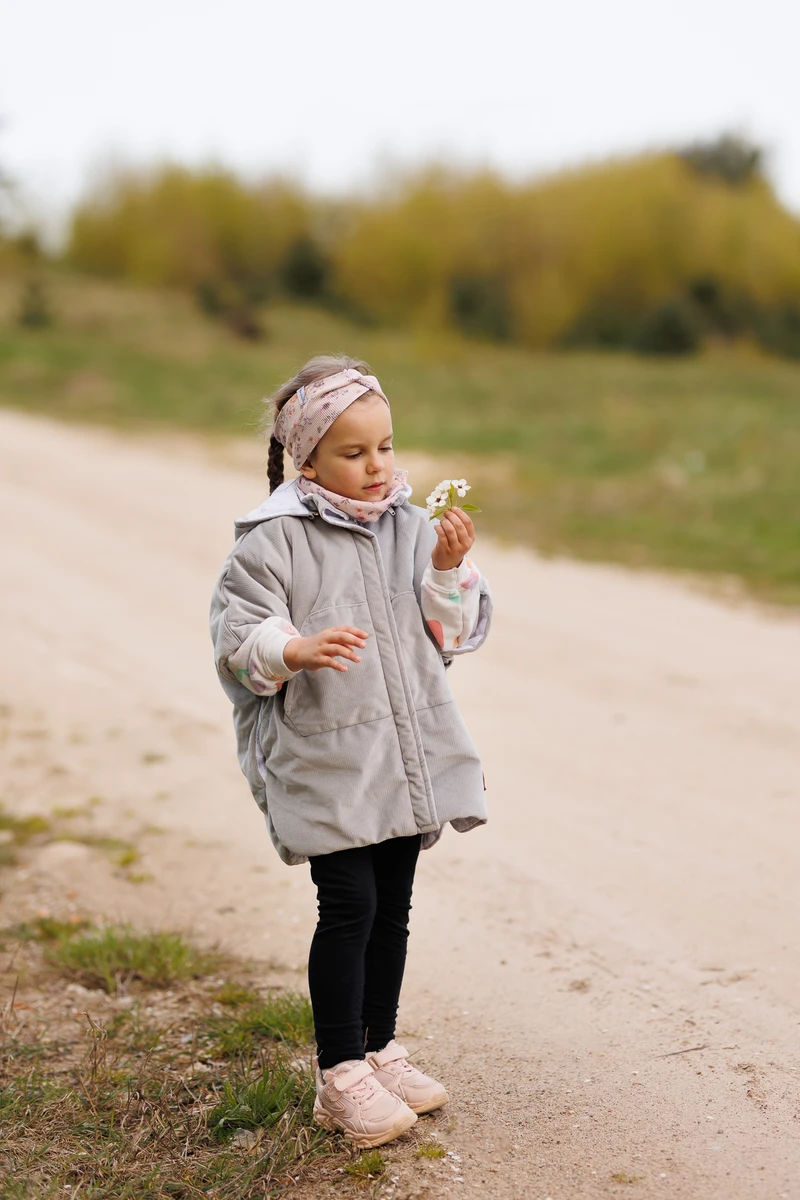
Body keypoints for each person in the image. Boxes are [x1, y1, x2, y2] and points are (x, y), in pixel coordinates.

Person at [210, 355, 492, 1149]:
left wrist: (446, 568)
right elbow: (240, 639)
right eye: (355, 453)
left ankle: (377, 1046)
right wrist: (292, 649)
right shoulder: (274, 542)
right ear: (307, 460)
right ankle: (339, 1072)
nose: (379, 467)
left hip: (405, 756)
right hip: (328, 758)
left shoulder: (411, 527)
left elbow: (454, 633)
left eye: (387, 447)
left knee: (393, 911)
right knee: (351, 909)